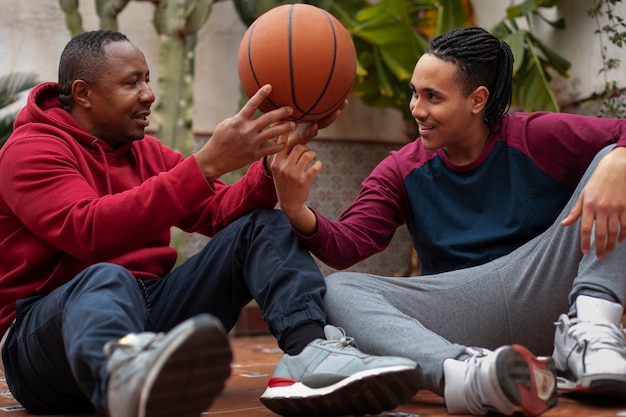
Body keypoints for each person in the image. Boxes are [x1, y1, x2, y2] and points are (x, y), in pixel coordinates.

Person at [0, 30, 422, 417]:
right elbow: (87, 232)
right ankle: (122, 374)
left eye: (148, 80)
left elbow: (222, 214)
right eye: (132, 83)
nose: (149, 95)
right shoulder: (31, 150)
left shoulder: (145, 152)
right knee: (107, 278)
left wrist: (271, 161)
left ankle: (311, 353)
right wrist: (205, 164)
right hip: (44, 338)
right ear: (83, 93)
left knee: (261, 226)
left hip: (151, 318)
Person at [270, 25, 626, 416]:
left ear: (477, 100)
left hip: (544, 290)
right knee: (338, 291)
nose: (417, 109)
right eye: (414, 92)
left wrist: (618, 159)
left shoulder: (535, 136)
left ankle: (591, 330)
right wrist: (295, 209)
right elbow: (349, 244)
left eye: (432, 97)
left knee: (616, 160)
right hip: (460, 313)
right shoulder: (402, 169)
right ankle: (467, 374)